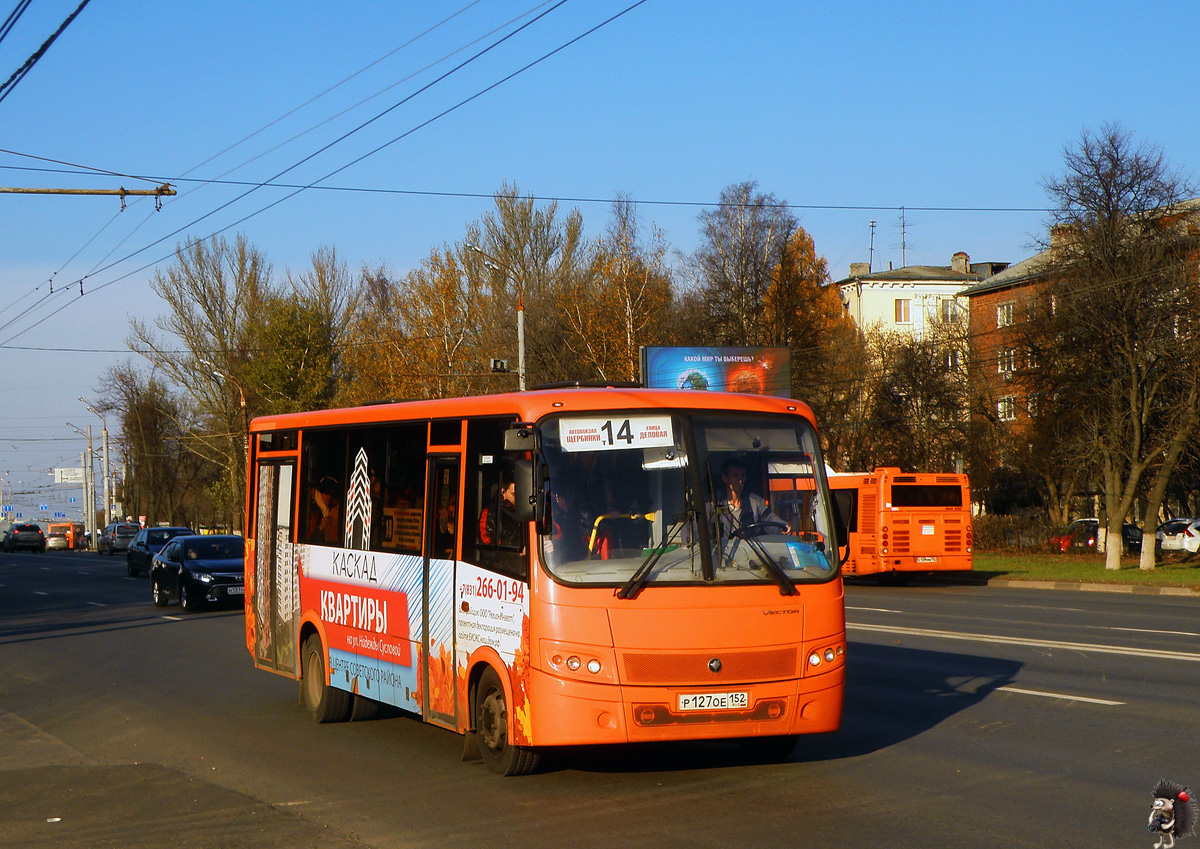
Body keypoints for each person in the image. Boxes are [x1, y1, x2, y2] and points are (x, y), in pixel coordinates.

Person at [716, 458, 788, 538]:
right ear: (725, 478)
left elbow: (769, 518)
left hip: (750, 549)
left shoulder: (755, 502)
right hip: (723, 549)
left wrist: (784, 526)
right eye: (735, 476)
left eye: (743, 475)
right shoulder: (714, 503)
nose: (740, 480)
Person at [479, 475, 523, 549]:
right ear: (503, 492)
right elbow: (487, 547)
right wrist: (516, 551)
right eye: (514, 494)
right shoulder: (491, 513)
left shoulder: (524, 510)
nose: (517, 498)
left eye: (520, 495)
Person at [308, 476, 341, 544]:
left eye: (331, 494)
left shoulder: (330, 510)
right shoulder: (312, 512)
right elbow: (309, 542)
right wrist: (321, 527)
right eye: (326, 493)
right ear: (319, 493)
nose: (328, 497)